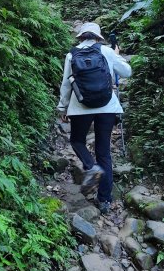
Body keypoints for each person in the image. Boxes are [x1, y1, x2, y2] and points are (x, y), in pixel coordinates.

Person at [57, 22, 132, 215]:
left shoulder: (71, 54)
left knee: (76, 140)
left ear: (81, 36)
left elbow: (66, 84)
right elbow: (127, 72)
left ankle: (91, 167)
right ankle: (105, 200)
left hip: (80, 107)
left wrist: (62, 107)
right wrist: (116, 54)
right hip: (107, 107)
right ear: (98, 37)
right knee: (104, 151)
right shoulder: (106, 51)